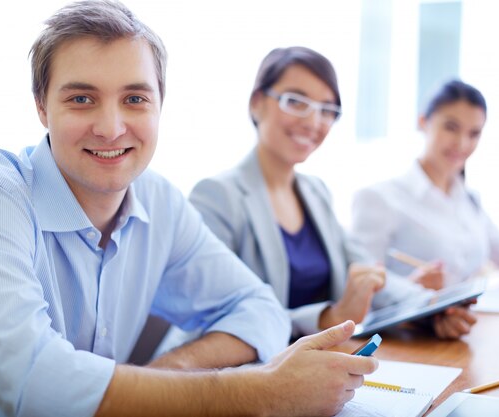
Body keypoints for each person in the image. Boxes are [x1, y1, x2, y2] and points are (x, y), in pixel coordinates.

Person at [0, 2, 378, 416]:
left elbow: (260, 309)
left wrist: (172, 370)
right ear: (42, 107)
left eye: (135, 99)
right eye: (81, 98)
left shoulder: (158, 200)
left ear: (161, 106)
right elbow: (30, 386)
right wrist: (261, 391)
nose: (110, 127)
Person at [187, 46, 437, 339]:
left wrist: (431, 306)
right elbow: (223, 317)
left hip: (320, 365)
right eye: (296, 101)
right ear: (257, 103)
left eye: (327, 110)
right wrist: (330, 317)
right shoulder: (216, 196)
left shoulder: (315, 192)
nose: (313, 122)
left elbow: (364, 270)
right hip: (245, 373)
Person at [349, 79, 499, 303]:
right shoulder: (379, 198)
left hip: (461, 328)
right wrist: (411, 290)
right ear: (423, 122)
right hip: (409, 332)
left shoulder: (468, 199)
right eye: (451, 128)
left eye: (474, 133)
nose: (462, 143)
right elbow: (359, 282)